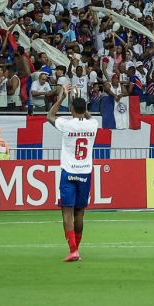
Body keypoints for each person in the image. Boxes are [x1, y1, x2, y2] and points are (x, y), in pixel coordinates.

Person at [47, 85, 97, 263]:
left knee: (66, 211)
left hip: (68, 172)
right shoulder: (93, 124)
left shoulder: (67, 124)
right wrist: (83, 109)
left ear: (71, 110)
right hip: (85, 173)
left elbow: (49, 116)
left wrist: (62, 96)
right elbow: (87, 116)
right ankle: (78, 249)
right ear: (85, 110)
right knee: (80, 212)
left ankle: (73, 250)